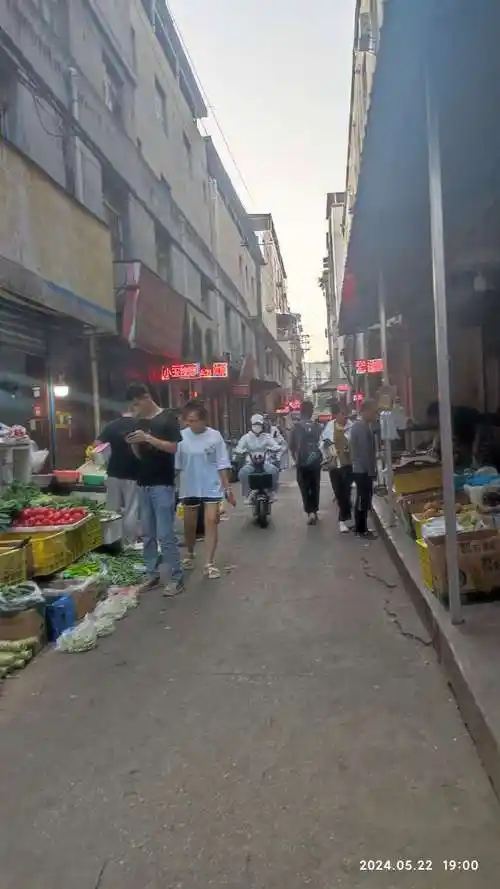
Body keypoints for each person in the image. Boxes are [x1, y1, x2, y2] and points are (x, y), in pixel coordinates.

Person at [124, 383, 184, 596]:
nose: (135, 407)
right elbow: (141, 456)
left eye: (137, 402)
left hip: (163, 484)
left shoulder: (168, 418)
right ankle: (152, 573)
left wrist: (148, 438)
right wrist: (133, 443)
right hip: (143, 483)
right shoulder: (138, 422)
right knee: (147, 533)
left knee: (165, 534)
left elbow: (174, 447)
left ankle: (176, 577)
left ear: (147, 397)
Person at [175, 401, 235, 579]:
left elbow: (222, 463)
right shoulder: (181, 437)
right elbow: (176, 466)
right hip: (189, 486)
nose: (189, 424)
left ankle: (209, 563)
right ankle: (190, 553)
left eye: (193, 420)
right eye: (188, 420)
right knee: (190, 525)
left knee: (211, 521)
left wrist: (227, 487)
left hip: (211, 486)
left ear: (203, 421)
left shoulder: (215, 437)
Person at [95, 411, 140, 547]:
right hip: (134, 473)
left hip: (114, 472)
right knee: (131, 509)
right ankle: (129, 543)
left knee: (112, 509)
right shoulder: (139, 425)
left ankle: (111, 542)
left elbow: (97, 444)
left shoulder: (112, 425)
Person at [234, 414, 282, 503]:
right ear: (251, 425)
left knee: (273, 471)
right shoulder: (246, 437)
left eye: (259, 424)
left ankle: (271, 491)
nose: (257, 427)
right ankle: (247, 494)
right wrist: (241, 451)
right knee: (243, 473)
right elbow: (239, 448)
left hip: (265, 462)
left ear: (262, 425)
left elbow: (275, 445)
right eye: (255, 424)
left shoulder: (266, 436)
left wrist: (275, 449)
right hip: (250, 462)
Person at [320, 403, 353, 532]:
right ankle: (346, 513)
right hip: (334, 465)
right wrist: (327, 451)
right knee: (339, 493)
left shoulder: (351, 427)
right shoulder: (329, 426)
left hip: (347, 464)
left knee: (346, 491)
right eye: (341, 414)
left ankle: (342, 520)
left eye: (346, 414)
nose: (344, 417)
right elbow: (322, 442)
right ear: (336, 415)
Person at [289, 400, 323, 525]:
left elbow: (291, 446)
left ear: (301, 411)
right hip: (315, 462)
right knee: (315, 486)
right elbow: (322, 444)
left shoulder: (296, 427)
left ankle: (309, 512)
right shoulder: (317, 427)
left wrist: (295, 459)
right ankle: (314, 510)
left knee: (304, 487)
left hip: (301, 463)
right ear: (311, 412)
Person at [349, 398, 378, 538]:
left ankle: (360, 526)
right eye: (373, 412)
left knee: (362, 498)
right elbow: (364, 452)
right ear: (365, 411)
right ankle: (362, 529)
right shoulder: (361, 427)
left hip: (360, 468)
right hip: (362, 470)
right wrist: (371, 471)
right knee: (364, 498)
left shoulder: (360, 426)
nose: (375, 415)